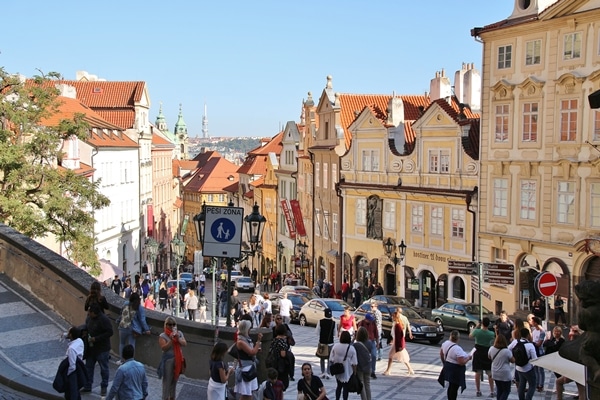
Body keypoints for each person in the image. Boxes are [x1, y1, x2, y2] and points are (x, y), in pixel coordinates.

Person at [81, 303, 113, 396]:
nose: (88, 313)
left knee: (104, 369)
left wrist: (96, 338)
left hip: (102, 349)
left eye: (89, 312)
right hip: (91, 349)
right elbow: (86, 328)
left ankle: (104, 386)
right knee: (88, 367)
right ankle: (87, 385)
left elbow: (110, 332)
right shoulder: (89, 318)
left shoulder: (104, 320)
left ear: (94, 312)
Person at [158, 316, 187, 400]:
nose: (172, 326)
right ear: (166, 325)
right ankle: (165, 397)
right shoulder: (162, 335)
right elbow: (163, 348)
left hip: (177, 360)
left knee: (174, 382)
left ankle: (172, 397)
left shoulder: (179, 333)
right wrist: (171, 340)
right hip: (168, 361)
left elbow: (184, 344)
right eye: (169, 325)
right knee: (167, 382)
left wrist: (178, 339)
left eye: (173, 324)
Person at [117, 292, 151, 365]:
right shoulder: (138, 307)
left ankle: (121, 360)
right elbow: (142, 320)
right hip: (131, 328)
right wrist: (147, 329)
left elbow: (121, 313)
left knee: (122, 343)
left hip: (122, 326)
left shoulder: (126, 303)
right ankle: (130, 361)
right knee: (131, 345)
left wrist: (118, 321)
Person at [234, 320, 263, 400]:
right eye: (249, 328)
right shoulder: (241, 341)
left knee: (248, 394)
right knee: (247, 394)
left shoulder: (246, 339)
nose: (250, 330)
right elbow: (252, 352)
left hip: (250, 367)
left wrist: (257, 348)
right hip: (245, 369)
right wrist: (258, 341)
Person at [439, 330, 472, 400]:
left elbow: (441, 354)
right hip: (455, 370)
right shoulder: (457, 349)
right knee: (454, 387)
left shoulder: (445, 343)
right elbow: (461, 362)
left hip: (448, 366)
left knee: (451, 386)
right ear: (458, 338)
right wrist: (469, 358)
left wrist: (444, 363)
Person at [508, 327, 538, 400]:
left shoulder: (515, 342)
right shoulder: (530, 345)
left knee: (521, 384)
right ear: (528, 335)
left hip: (518, 367)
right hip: (528, 368)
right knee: (532, 385)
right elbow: (535, 359)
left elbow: (508, 349)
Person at [469, 317, 495, 397]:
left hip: (478, 352)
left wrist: (477, 326)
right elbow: (495, 339)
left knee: (478, 373)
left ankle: (478, 390)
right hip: (487, 353)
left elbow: (470, 336)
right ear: (489, 324)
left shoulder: (477, 331)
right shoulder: (491, 333)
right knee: (490, 373)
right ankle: (492, 391)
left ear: (482, 323)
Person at [383, 308, 414, 376]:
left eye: (392, 316)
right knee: (402, 356)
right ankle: (410, 369)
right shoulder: (396, 324)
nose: (391, 317)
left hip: (397, 343)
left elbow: (399, 336)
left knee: (391, 356)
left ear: (395, 317)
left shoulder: (397, 325)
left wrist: (397, 344)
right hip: (396, 343)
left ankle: (388, 370)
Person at [330, 331, 357, 400]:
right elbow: (354, 362)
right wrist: (355, 372)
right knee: (346, 387)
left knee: (338, 386)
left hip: (338, 370)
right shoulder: (351, 348)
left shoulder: (336, 346)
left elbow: (331, 359)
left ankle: (337, 398)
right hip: (348, 370)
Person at [487, 334, 514, 400]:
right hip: (505, 373)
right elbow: (513, 360)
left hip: (495, 372)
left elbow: (489, 357)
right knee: (506, 390)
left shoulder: (491, 348)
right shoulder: (507, 351)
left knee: (499, 389)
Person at [64, 326, 85, 400]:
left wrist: (67, 374)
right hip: (79, 367)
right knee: (76, 390)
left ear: (71, 335)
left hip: (73, 371)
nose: (67, 333)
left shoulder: (71, 349)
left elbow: (72, 365)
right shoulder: (80, 341)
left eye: (69, 332)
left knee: (71, 391)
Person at [269, 323, 292, 390]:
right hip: (280, 365)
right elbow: (283, 354)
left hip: (273, 363)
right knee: (281, 383)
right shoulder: (282, 342)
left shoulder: (273, 340)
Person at [356, 313, 378, 379]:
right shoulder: (361, 323)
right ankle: (362, 370)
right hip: (363, 341)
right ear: (366, 319)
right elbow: (358, 332)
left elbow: (376, 332)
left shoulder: (373, 323)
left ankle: (373, 371)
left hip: (372, 341)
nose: (371, 321)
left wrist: (378, 342)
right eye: (369, 320)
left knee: (374, 355)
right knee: (364, 357)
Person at [316, 308, 336, 379]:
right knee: (329, 358)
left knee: (322, 358)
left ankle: (322, 372)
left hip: (322, 343)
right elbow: (334, 334)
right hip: (330, 343)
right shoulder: (333, 323)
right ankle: (328, 372)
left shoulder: (320, 321)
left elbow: (317, 332)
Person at [353, 327, 372, 400]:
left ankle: (364, 398)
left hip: (360, 367)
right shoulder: (369, 343)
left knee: (361, 384)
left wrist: (353, 339)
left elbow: (350, 348)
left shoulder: (356, 345)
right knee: (367, 384)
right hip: (368, 366)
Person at [529, 316, 546, 392]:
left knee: (540, 370)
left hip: (540, 351)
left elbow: (539, 343)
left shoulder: (541, 331)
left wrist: (532, 343)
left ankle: (541, 384)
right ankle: (536, 383)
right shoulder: (533, 330)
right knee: (535, 368)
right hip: (534, 350)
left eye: (532, 322)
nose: (531, 323)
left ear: (535, 322)